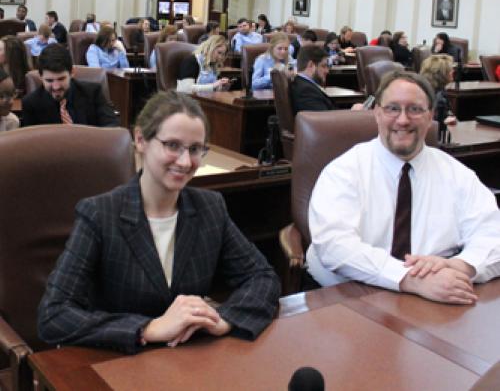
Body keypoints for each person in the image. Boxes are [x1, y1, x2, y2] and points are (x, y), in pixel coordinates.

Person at [37, 90, 280, 354]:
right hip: (120, 363)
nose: (186, 162)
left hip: (190, 360)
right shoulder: (99, 214)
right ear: (141, 139)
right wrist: (148, 328)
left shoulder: (211, 208)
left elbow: (262, 277)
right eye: (173, 145)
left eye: (196, 149)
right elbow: (54, 315)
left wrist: (225, 320)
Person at [307, 70, 500, 304]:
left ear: (430, 117)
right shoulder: (344, 171)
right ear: (377, 113)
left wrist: (460, 265)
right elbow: (335, 246)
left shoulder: (456, 174)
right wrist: (409, 278)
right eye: (392, 108)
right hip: (352, 296)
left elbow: (492, 233)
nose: (403, 120)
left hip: (437, 295)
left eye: (415, 109)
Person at [22, 43, 118, 127]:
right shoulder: (31, 103)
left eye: (61, 79)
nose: (56, 86)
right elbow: (30, 143)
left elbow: (112, 128)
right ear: (40, 77)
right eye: (49, 80)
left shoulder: (93, 93)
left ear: (72, 73)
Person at [290, 46, 333, 114]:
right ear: (311, 65)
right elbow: (324, 120)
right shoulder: (306, 91)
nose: (327, 71)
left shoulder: (302, 84)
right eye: (323, 66)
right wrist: (351, 113)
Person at [420, 54, 456, 124]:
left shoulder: (424, 89)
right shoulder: (440, 98)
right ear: (442, 73)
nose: (453, 71)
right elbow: (437, 122)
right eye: (450, 70)